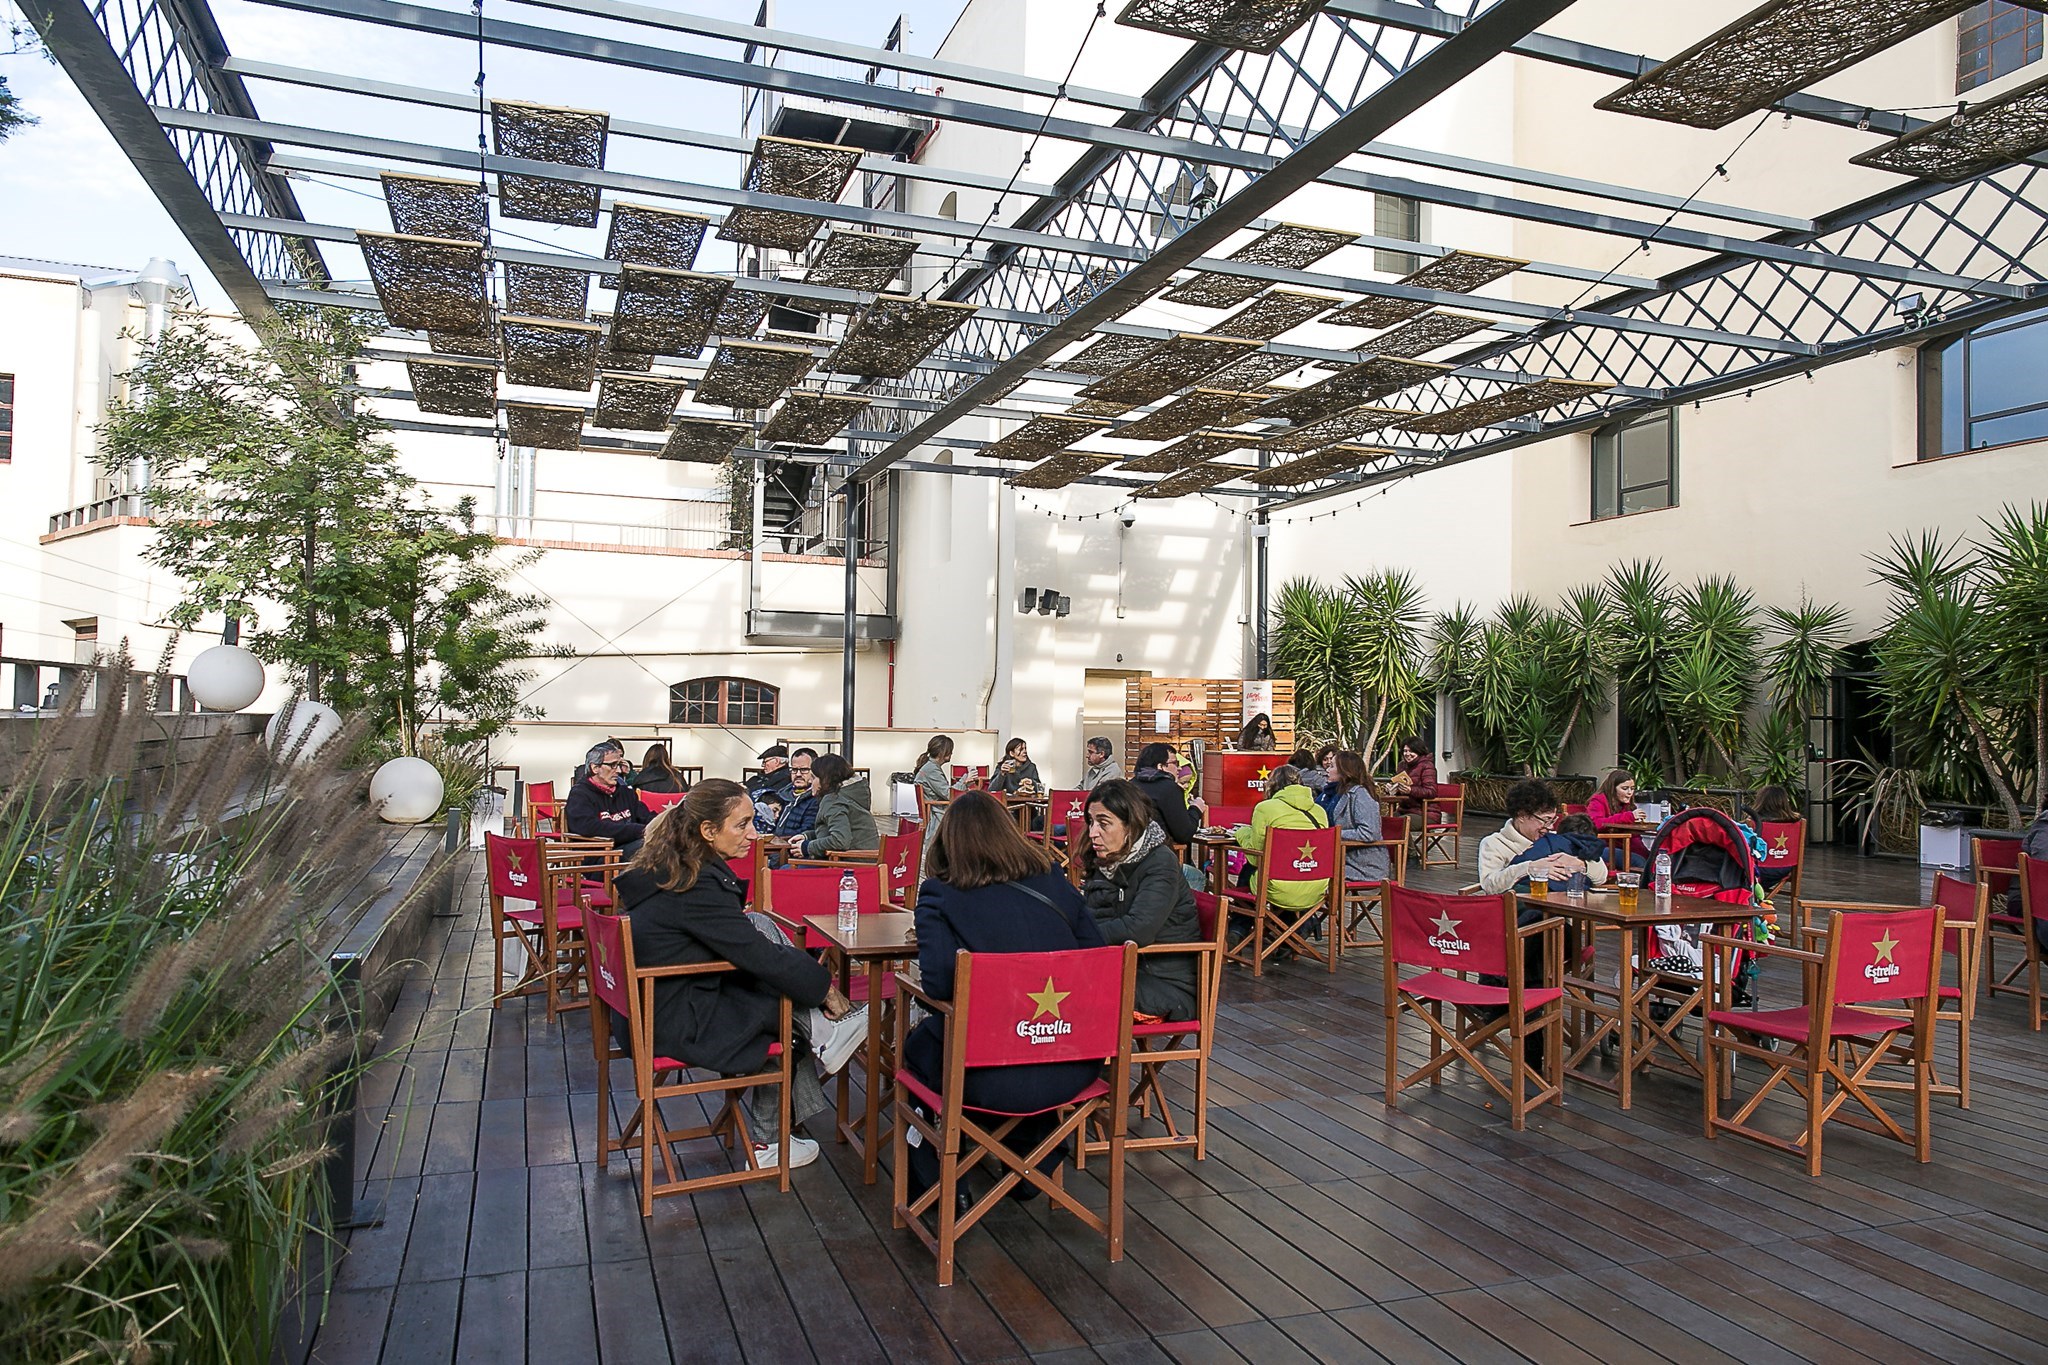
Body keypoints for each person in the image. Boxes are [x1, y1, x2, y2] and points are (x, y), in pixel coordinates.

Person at [614, 780, 870, 1172]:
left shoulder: (672, 867)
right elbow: (757, 955)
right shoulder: (695, 884)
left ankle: (822, 1035)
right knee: (779, 1018)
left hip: (651, 1003)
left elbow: (747, 943)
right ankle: (771, 1140)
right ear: (708, 831)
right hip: (670, 1017)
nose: (755, 833)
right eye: (743, 824)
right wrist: (825, 991)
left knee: (758, 929)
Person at [902, 791, 1108, 1201]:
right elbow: (1097, 955)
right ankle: (1034, 1159)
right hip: (1072, 1062)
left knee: (921, 1047)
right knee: (1019, 1037)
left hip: (987, 1073)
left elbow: (940, 985)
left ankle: (942, 1182)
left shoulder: (941, 894)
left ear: (950, 843)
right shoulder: (1054, 880)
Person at [1079, 780, 1199, 1021]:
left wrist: (1075, 937)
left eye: (1103, 823)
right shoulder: (1108, 859)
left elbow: (1139, 928)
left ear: (1131, 826)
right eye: (1091, 822)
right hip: (1118, 969)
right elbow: (1094, 916)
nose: (1093, 832)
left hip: (1164, 986)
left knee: (1060, 995)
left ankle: (1086, 1059)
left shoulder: (1160, 862)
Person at [1231, 765, 1331, 921]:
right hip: (1315, 885)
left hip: (1277, 887)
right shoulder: (1319, 811)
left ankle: (1239, 929)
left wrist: (1241, 833)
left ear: (1272, 785)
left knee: (1251, 869)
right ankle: (1291, 933)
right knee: (1283, 870)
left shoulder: (1265, 808)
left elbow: (1254, 857)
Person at [1477, 778, 1607, 896]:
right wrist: (1529, 868)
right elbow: (1489, 885)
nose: (1550, 827)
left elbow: (1602, 877)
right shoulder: (1494, 843)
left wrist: (1580, 864)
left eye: (1552, 820)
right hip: (1522, 916)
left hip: (1565, 911)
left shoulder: (1555, 840)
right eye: (1545, 820)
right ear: (1522, 815)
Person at [566, 741, 656, 860]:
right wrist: (640, 830)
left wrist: (665, 822)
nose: (618, 770)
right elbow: (589, 827)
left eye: (619, 765)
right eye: (613, 765)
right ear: (595, 768)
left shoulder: (625, 793)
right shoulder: (580, 795)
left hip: (628, 851)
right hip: (599, 857)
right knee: (650, 849)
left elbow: (646, 817)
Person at [1324, 751, 1391, 885]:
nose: (1327, 770)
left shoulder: (1360, 795)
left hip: (1363, 865)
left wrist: (1333, 834)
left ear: (1344, 771)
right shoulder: (1336, 793)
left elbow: (1369, 832)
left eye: (1331, 766)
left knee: (1314, 871)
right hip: (1341, 858)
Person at [794, 753, 878, 858]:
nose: (810, 781)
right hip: (868, 862)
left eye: (814, 777)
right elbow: (837, 832)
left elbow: (840, 840)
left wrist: (808, 847)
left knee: (784, 870)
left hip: (850, 866)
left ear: (825, 780)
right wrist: (807, 836)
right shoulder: (850, 796)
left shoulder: (834, 801)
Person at [1132, 741, 1205, 844]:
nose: (1179, 768)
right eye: (1175, 763)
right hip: (1157, 852)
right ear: (1161, 766)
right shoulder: (1169, 789)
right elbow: (1183, 834)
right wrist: (1196, 809)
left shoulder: (1131, 785)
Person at [1741, 783, 1802, 891]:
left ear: (1761, 801)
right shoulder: (1797, 822)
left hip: (1757, 871)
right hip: (1785, 868)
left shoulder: (1754, 823)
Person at [1587, 769, 1648, 867]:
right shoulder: (1598, 801)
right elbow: (1596, 824)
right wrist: (1629, 817)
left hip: (1624, 844)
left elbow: (1635, 839)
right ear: (1613, 788)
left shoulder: (1628, 805)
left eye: (1632, 788)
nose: (1629, 793)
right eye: (1625, 788)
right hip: (1602, 846)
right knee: (1640, 862)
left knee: (1652, 861)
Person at [768, 747, 821, 851]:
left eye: (804, 770)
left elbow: (807, 830)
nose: (798, 774)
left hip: (793, 852)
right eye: (794, 769)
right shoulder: (779, 796)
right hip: (771, 849)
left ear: (815, 772)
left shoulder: (816, 800)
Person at [747, 745, 796, 831]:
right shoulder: (771, 778)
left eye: (765, 762)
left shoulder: (785, 779)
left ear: (776, 761)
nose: (763, 765)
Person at [1385, 736, 1437, 816]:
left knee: (1397, 823)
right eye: (1405, 751)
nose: (1407, 754)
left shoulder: (1427, 765)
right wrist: (1392, 789)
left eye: (1411, 751)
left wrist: (1410, 790)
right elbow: (1400, 787)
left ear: (1419, 752)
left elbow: (1431, 792)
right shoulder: (1402, 765)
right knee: (1384, 822)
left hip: (1425, 813)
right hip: (1404, 810)